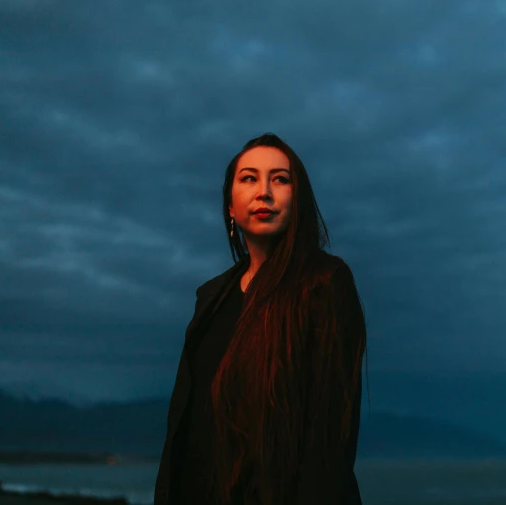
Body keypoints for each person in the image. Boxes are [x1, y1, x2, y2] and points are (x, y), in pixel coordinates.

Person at [153, 133, 369, 505]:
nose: (264, 191)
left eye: (280, 179)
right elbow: (185, 428)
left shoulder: (325, 283)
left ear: (297, 201)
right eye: (249, 178)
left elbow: (329, 439)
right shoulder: (211, 298)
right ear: (230, 209)